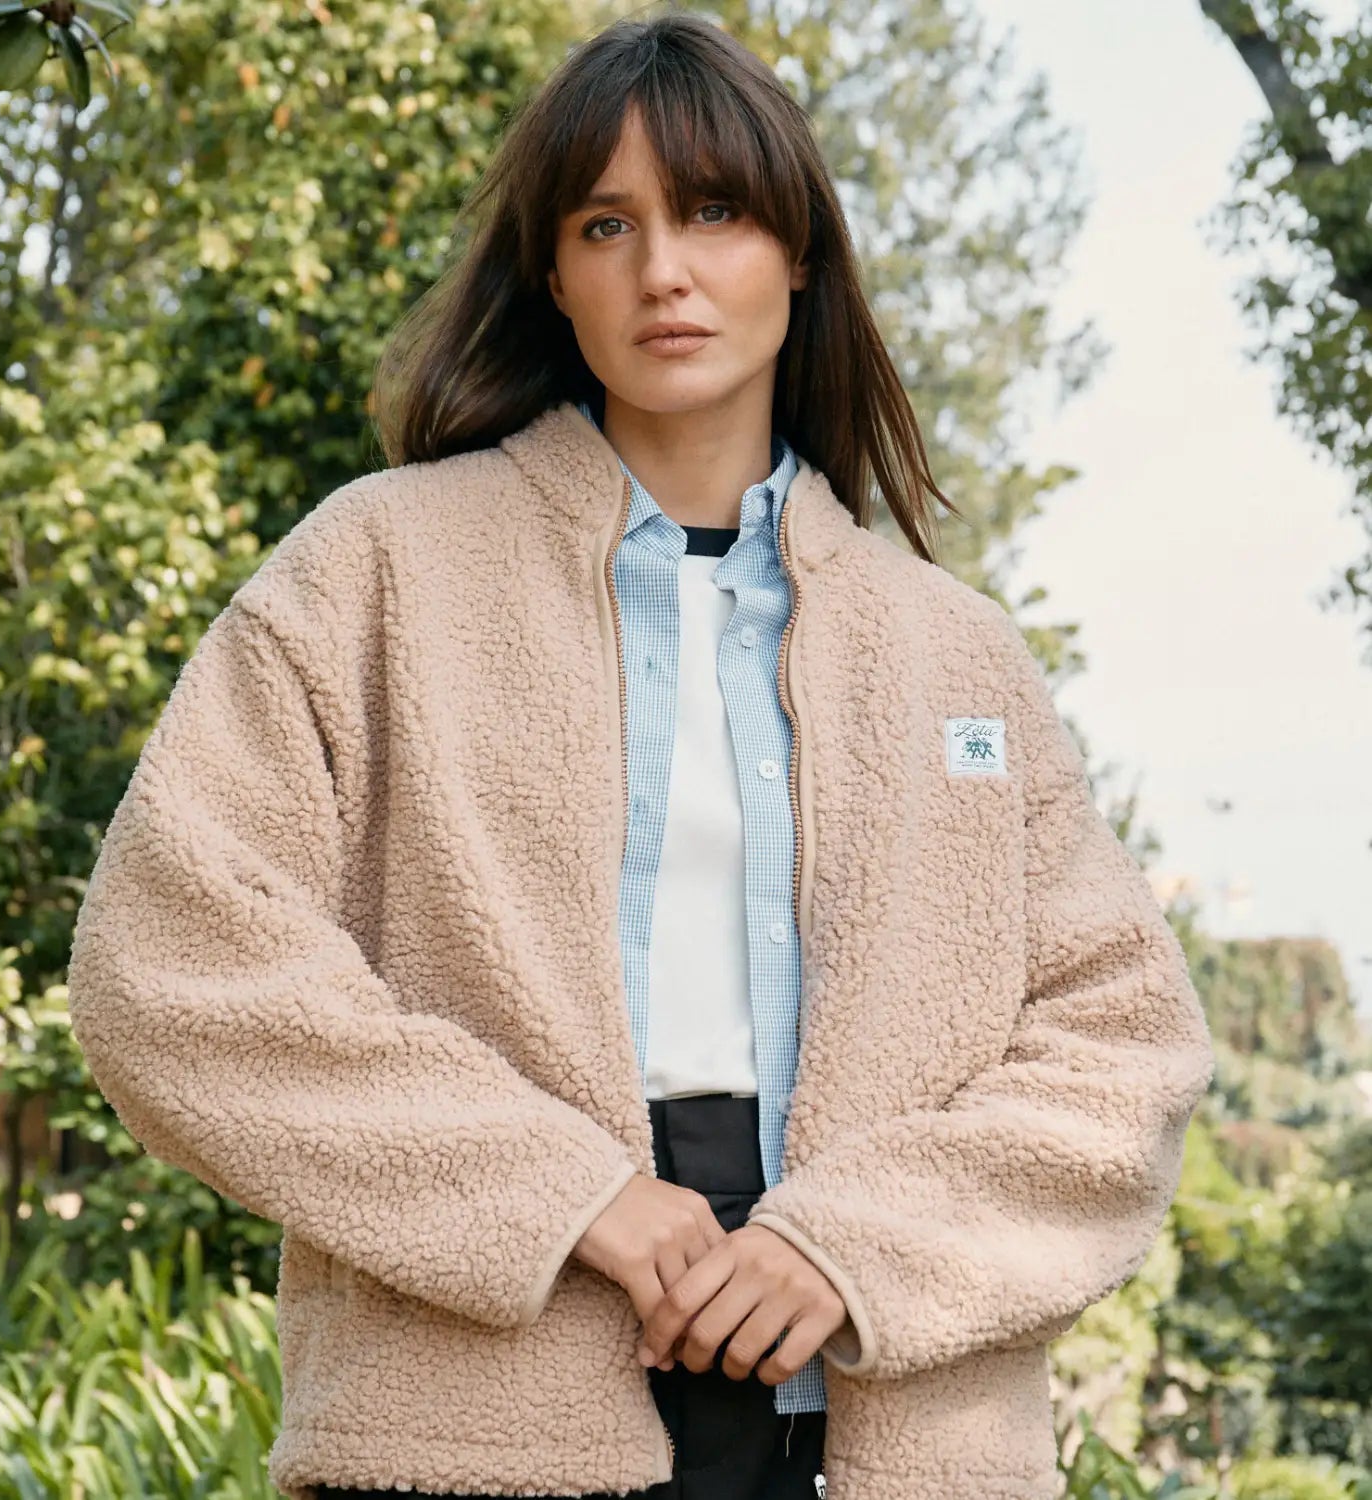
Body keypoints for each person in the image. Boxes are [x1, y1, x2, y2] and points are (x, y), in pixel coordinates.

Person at [64, 10, 1216, 1500]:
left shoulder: (956, 650)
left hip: (889, 1419)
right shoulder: (377, 567)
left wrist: (859, 1246)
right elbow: (168, 959)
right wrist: (564, 1194)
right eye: (607, 226)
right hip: (474, 1403)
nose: (663, 269)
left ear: (799, 254)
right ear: (553, 275)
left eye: (714, 212)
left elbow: (1124, 1047)